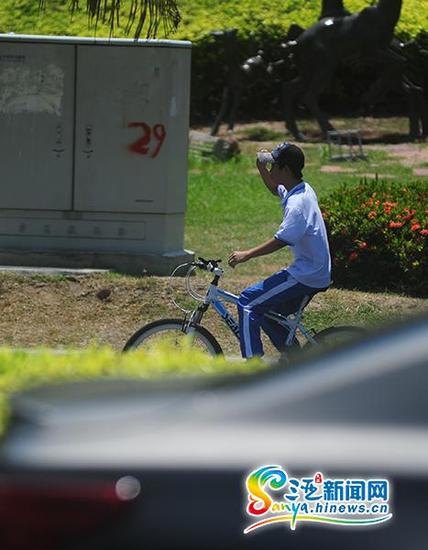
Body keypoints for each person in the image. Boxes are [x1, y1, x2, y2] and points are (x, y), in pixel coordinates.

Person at [228, 142, 331, 358]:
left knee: (247, 301)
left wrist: (247, 254)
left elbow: (281, 240)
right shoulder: (301, 187)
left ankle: (253, 365)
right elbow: (276, 188)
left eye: (273, 165)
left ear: (285, 170)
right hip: (313, 270)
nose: (270, 169)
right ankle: (294, 357)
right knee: (266, 309)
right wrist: (261, 169)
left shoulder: (297, 203)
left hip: (307, 274)